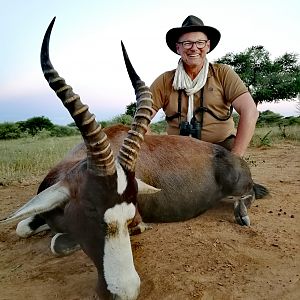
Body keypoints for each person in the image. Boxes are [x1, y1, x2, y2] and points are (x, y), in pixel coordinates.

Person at [150, 15, 259, 157]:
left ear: (207, 46)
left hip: (220, 149)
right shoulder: (164, 80)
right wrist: (152, 151)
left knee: (235, 176)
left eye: (200, 43)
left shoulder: (223, 74)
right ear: (178, 48)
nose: (194, 48)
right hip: (177, 153)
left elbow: (250, 111)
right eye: (187, 43)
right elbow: (141, 119)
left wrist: (236, 156)